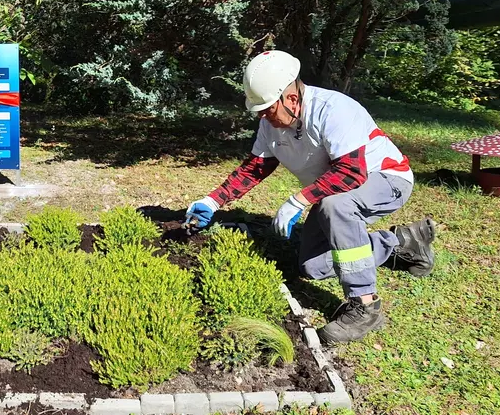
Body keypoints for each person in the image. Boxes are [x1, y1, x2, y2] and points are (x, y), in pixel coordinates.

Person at [186, 50, 437, 344]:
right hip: (338, 192)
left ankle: (365, 305)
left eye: (266, 108)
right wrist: (213, 201)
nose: (261, 116)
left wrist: (298, 200)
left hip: (387, 178)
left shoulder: (333, 110)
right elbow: (256, 167)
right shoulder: (272, 124)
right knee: (313, 266)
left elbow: (351, 174)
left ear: (291, 99)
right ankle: (401, 242)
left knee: (336, 206)